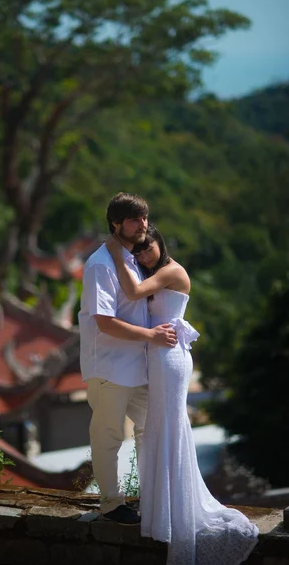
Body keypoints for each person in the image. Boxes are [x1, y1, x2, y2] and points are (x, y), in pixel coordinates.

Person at [105, 224, 259, 565]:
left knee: (171, 427)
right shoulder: (156, 273)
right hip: (157, 355)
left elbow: (132, 293)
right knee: (160, 427)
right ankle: (164, 509)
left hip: (169, 356)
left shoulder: (172, 271)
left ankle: (178, 512)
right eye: (138, 251)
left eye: (148, 247)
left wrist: (117, 255)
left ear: (161, 243)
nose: (144, 254)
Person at [78, 193, 178, 525]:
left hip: (138, 364)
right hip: (108, 364)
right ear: (116, 224)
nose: (143, 225)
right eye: (136, 219)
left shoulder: (135, 260)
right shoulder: (99, 264)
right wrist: (151, 336)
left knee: (152, 430)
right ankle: (111, 504)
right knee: (108, 436)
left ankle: (152, 498)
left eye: (145, 218)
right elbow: (104, 322)